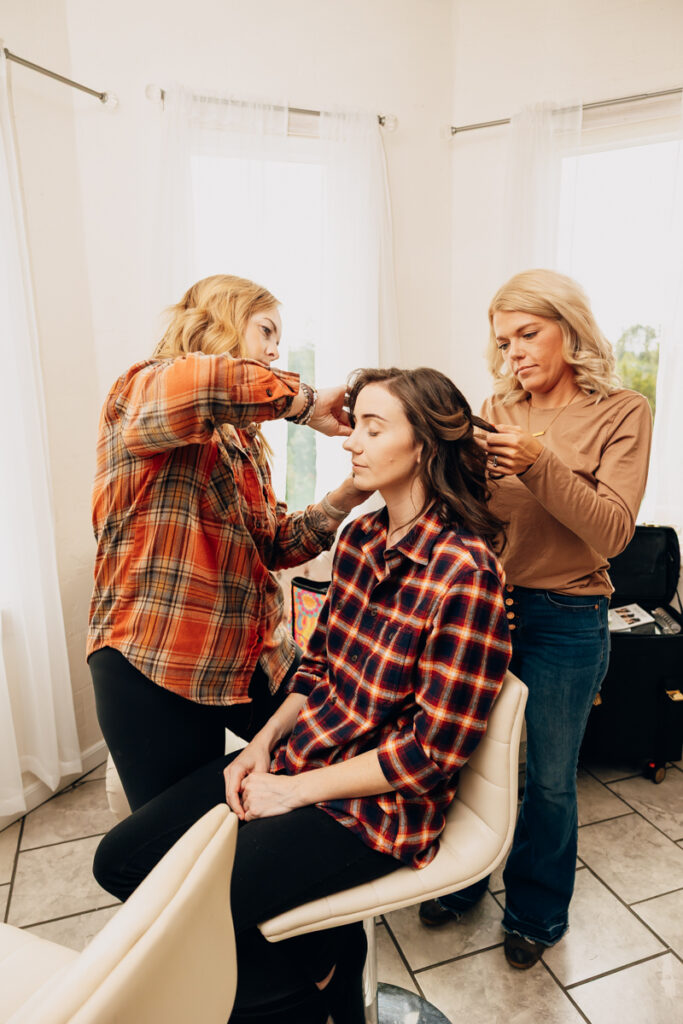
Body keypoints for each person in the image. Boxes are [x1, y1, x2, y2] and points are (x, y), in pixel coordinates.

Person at [92, 367, 512, 1024]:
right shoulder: (363, 538)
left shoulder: (467, 570)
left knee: (191, 917)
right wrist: (259, 749)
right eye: (357, 425)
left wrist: (291, 792)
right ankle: (323, 972)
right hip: (302, 758)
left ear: (424, 446)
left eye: (373, 429)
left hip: (376, 809)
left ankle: (299, 1002)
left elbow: (429, 754)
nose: (352, 442)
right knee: (120, 862)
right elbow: (316, 667)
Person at [419, 269, 653, 970]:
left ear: (568, 329)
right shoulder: (497, 406)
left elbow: (610, 531)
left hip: (566, 617)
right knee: (467, 761)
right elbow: (480, 515)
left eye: (527, 334)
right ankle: (460, 879)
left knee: (546, 779)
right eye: (502, 340)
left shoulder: (621, 412)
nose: (513, 352)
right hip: (485, 610)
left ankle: (534, 910)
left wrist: (539, 462)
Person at [87, 274, 369, 812]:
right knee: (185, 845)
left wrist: (349, 493)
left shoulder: (245, 441)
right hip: (157, 660)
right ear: (219, 321)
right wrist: (305, 402)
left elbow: (274, 545)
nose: (275, 349)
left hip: (245, 656)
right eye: (266, 330)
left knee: (325, 748)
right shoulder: (142, 390)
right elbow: (203, 384)